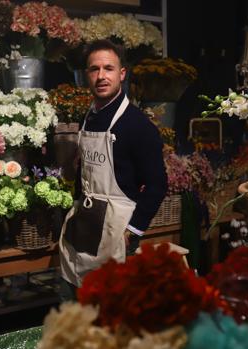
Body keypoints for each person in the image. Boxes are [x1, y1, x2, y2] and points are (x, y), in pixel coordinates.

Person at [58, 39, 167, 298]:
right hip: (85, 223)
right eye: (94, 69)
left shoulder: (137, 126)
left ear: (122, 74)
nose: (101, 76)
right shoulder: (90, 116)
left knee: (112, 311)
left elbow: (157, 185)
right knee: (78, 302)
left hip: (116, 231)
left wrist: (132, 232)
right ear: (86, 75)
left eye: (108, 68)